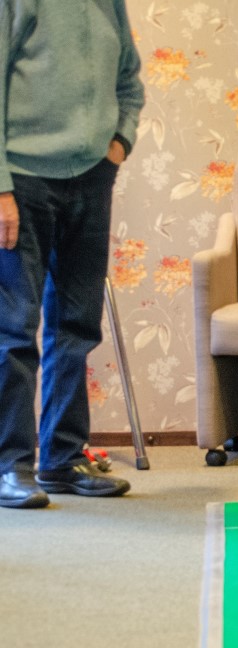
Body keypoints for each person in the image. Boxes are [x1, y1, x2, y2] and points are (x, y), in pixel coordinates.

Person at [1, 1, 145, 509]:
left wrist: (119, 143)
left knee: (78, 325)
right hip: (23, 180)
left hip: (91, 178)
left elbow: (129, 82)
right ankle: (10, 465)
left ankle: (62, 458)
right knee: (15, 330)